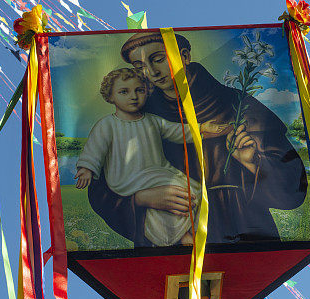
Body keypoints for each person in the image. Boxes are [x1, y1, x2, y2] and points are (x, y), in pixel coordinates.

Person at [86, 31, 307, 246]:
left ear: (185, 56)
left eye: (159, 59)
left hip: (241, 234)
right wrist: (141, 199)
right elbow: (101, 190)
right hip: (169, 240)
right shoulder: (139, 118)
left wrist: (253, 162)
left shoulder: (237, 105)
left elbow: (292, 188)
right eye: (140, 66)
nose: (151, 72)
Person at [75, 67, 227, 246]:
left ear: (147, 92)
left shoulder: (152, 120)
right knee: (161, 202)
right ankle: (177, 237)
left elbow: (177, 131)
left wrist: (201, 128)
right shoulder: (107, 125)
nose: (133, 96)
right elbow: (95, 148)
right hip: (128, 178)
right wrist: (86, 168)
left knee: (192, 190)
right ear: (110, 96)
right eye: (124, 91)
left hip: (159, 172)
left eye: (139, 90)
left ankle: (187, 231)